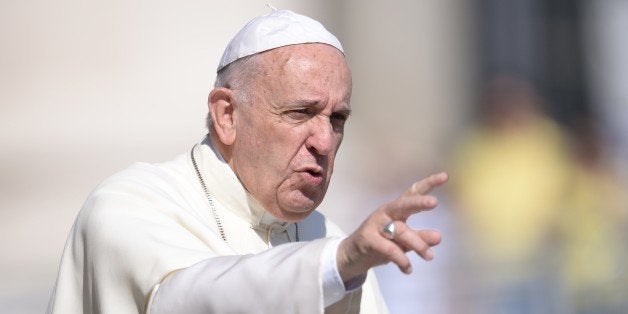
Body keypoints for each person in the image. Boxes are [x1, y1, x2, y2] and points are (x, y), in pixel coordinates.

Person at [47, 8, 447, 314]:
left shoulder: (327, 236)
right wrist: (334, 265)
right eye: (299, 113)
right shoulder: (129, 205)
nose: (325, 141)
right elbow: (185, 300)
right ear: (226, 116)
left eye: (337, 118)